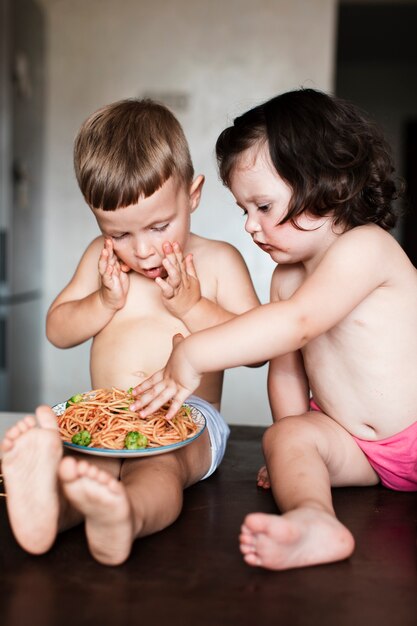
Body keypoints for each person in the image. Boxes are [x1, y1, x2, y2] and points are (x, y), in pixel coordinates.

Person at [130, 88, 417, 571]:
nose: (249, 226)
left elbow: (297, 325)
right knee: (283, 438)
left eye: (262, 207)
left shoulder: (367, 248)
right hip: (360, 451)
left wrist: (192, 354)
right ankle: (313, 519)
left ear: (326, 184)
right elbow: (287, 372)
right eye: (245, 210)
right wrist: (294, 448)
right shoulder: (286, 278)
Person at [1, 98, 261, 566]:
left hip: (187, 418)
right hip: (107, 413)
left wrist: (193, 305)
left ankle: (129, 517)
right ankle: (50, 514)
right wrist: (103, 301)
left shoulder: (220, 261)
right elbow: (58, 330)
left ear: (193, 194)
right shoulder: (99, 261)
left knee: (158, 467)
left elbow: (258, 347)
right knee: (87, 467)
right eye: (118, 234)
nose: (141, 251)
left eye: (159, 225)